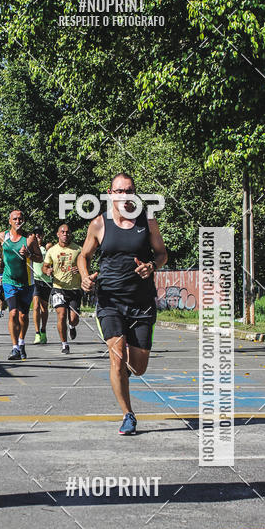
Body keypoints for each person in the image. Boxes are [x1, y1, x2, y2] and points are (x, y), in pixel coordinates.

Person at [78, 172, 167, 435]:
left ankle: (123, 375)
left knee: (138, 368)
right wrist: (85, 277)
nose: (125, 196)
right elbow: (84, 256)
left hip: (141, 302)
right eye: (119, 191)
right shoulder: (99, 223)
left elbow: (162, 254)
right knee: (116, 359)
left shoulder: (147, 221)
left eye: (129, 190)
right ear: (110, 194)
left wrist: (152, 266)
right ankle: (128, 414)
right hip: (110, 300)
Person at [0, 209, 42, 360]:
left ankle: (21, 343)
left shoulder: (29, 238)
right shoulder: (3, 236)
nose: (17, 221)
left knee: (23, 315)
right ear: (10, 221)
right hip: (9, 281)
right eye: (14, 219)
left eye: (20, 219)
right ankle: (14, 348)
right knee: (13, 313)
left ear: (24, 221)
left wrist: (29, 255)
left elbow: (39, 258)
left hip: (27, 283)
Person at [43, 224, 83, 354]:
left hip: (74, 288)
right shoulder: (52, 250)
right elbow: (45, 266)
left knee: (74, 319)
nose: (65, 234)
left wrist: (80, 269)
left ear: (70, 234)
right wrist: (47, 271)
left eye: (67, 232)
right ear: (58, 234)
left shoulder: (78, 249)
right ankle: (64, 344)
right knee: (61, 316)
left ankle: (71, 326)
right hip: (58, 288)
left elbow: (86, 265)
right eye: (62, 232)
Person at [31, 225, 51, 343]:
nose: (38, 235)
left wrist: (51, 269)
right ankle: (37, 333)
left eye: (40, 233)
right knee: (36, 306)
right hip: (35, 279)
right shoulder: (30, 248)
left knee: (44, 307)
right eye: (35, 233)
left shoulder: (47, 247)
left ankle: (43, 330)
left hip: (46, 280)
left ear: (43, 235)